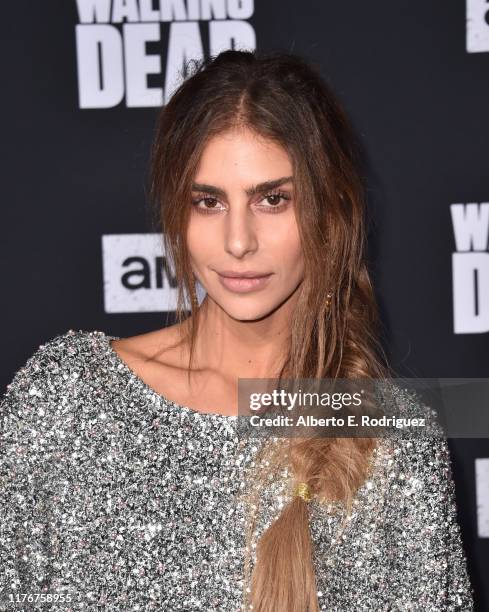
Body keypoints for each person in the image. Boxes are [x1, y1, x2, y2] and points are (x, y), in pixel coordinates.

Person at [0, 50, 473, 611]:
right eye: (208, 201)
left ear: (329, 212)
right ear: (177, 212)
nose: (238, 242)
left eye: (273, 199)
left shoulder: (392, 438)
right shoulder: (66, 400)